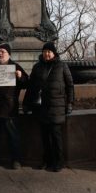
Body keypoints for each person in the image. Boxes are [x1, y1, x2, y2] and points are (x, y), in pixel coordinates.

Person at [24, 42, 74, 172]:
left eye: (49, 51)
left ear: (54, 53)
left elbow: (70, 86)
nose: (46, 54)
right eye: (45, 51)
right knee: (45, 136)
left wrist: (70, 103)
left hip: (57, 106)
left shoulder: (62, 66)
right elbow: (31, 87)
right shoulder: (37, 67)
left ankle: (59, 161)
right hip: (41, 107)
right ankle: (47, 160)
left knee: (56, 136)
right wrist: (26, 104)